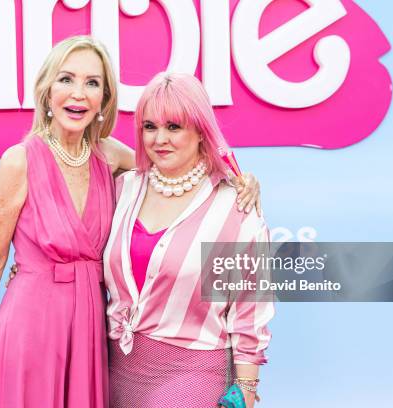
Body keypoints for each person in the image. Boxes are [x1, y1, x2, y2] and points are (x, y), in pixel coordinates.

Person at [0, 36, 261, 407]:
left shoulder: (110, 157)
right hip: (31, 323)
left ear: (104, 100)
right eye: (66, 79)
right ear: (46, 91)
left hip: (91, 330)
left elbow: (176, 169)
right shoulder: (18, 161)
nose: (78, 94)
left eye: (92, 83)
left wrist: (239, 179)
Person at [103, 73, 274, 408]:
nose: (159, 139)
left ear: (200, 131)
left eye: (174, 126)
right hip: (113, 372)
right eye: (149, 126)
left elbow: (247, 318)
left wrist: (247, 393)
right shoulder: (123, 191)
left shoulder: (234, 210)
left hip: (192, 375)